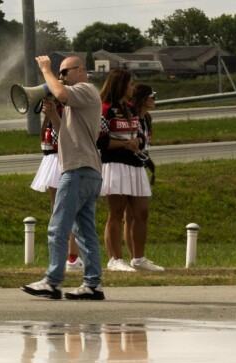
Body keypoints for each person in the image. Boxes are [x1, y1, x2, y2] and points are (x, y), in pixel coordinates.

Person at [23, 54, 105, 300]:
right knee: (85, 232)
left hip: (78, 171)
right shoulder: (76, 101)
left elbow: (60, 93)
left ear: (81, 71)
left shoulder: (85, 89)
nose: (60, 77)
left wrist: (46, 69)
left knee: (58, 227)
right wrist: (54, 116)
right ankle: (92, 285)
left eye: (64, 72)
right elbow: (67, 135)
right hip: (86, 169)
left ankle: (52, 281)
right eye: (59, 73)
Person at [99, 69, 159, 273]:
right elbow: (101, 140)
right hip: (115, 164)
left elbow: (142, 136)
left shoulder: (132, 109)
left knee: (142, 212)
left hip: (136, 164)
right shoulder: (106, 108)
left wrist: (138, 141)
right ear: (121, 85)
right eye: (130, 84)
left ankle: (139, 258)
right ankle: (115, 259)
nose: (133, 88)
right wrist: (125, 144)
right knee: (116, 212)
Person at [30, 92, 81, 270]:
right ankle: (71, 256)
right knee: (63, 211)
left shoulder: (66, 110)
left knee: (62, 210)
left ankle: (71, 255)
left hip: (58, 159)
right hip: (55, 159)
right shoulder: (55, 113)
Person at [125, 82, 163, 271]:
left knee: (140, 213)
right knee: (127, 214)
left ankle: (138, 258)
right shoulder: (131, 116)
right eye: (152, 96)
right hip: (126, 165)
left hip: (140, 164)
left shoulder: (146, 118)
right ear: (142, 98)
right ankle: (131, 257)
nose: (154, 100)